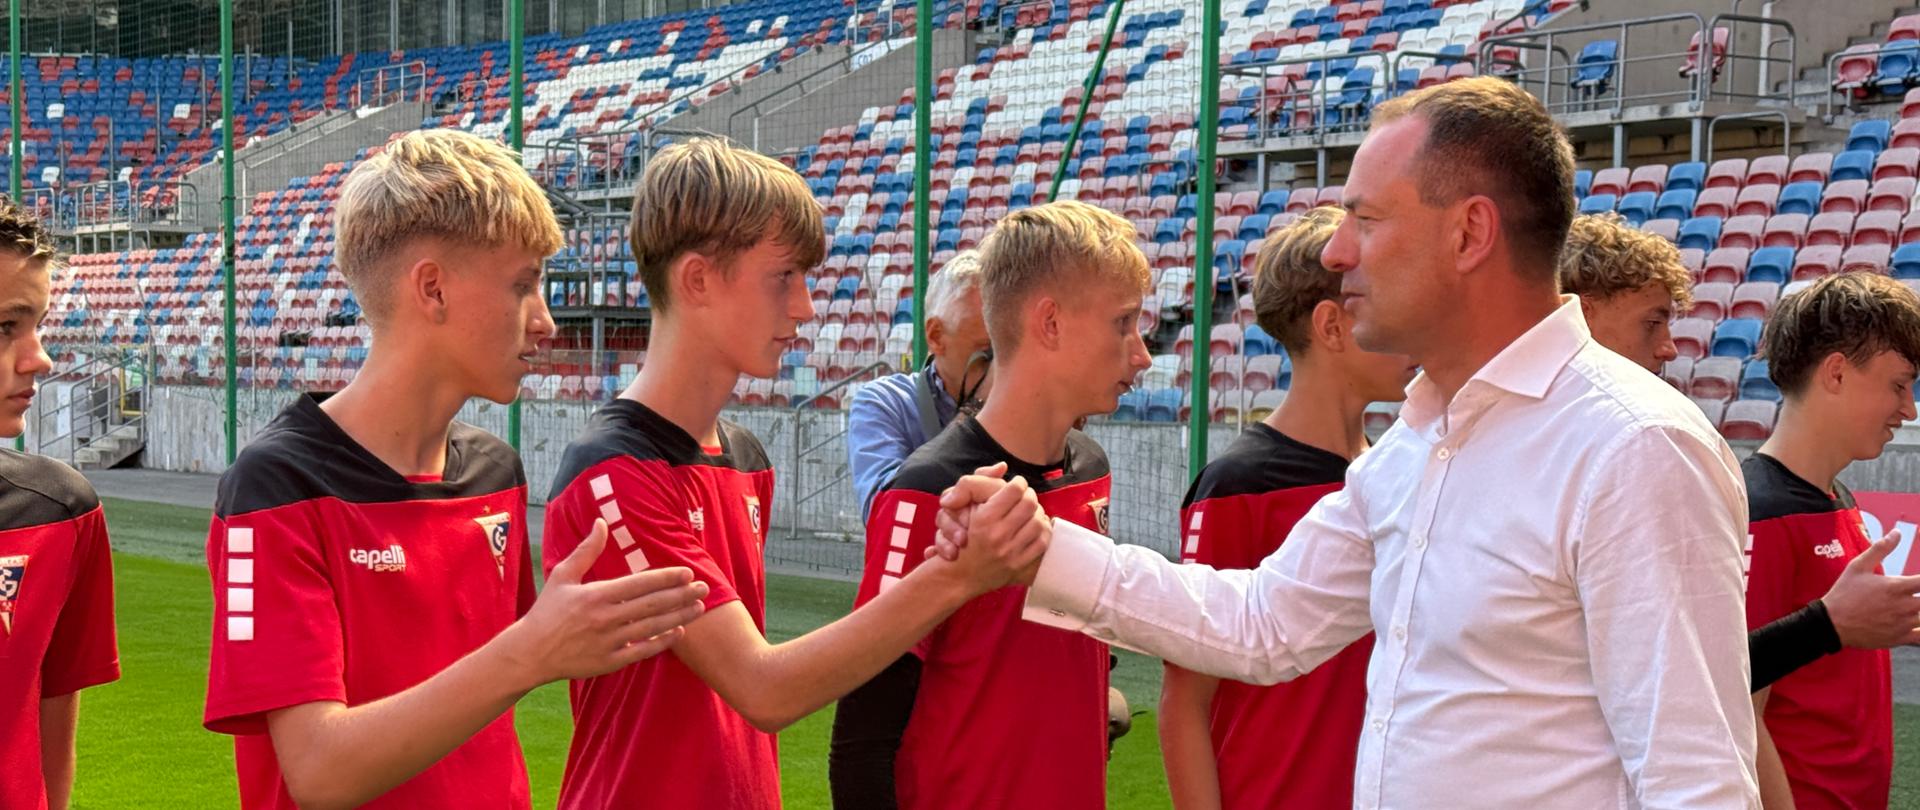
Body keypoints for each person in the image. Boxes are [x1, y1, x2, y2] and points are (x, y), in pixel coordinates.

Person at [937, 77, 1759, 807]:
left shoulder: (1635, 449)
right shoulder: (1418, 441)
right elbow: (1262, 624)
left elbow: (1696, 781)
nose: (1337, 250)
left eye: (1366, 219)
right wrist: (1040, 549)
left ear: (1470, 234)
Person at [200, 129, 709, 810]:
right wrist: (529, 652)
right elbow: (320, 773)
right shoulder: (274, 489)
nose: (546, 321)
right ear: (433, 290)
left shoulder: (494, 472)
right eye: (523, 286)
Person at [541, 137, 1046, 810]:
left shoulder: (743, 458)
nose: (806, 308)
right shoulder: (615, 475)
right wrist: (956, 575)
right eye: (784, 278)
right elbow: (763, 689)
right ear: (697, 279)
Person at [828, 200, 1151, 810]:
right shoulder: (930, 491)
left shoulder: (1089, 468)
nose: (1141, 354)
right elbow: (863, 743)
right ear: (1049, 323)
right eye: (1123, 323)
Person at [1561, 212, 1920, 691]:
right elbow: (1714, 683)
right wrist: (1826, 626)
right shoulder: (1758, 507)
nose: (1670, 348)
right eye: (1653, 322)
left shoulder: (1625, 450)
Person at [1159, 206, 1416, 810]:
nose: (1411, 325)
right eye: (1386, 299)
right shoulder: (1237, 488)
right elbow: (1185, 701)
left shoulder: (1396, 471)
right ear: (1331, 326)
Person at [1745, 273, 1920, 810]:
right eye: (1898, 384)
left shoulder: (1838, 497)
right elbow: (1738, 708)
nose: (1909, 409)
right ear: (1837, 373)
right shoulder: (1761, 513)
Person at [0, 196, 119, 810]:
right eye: (5, 328)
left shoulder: (62, 514)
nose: (40, 358)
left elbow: (51, 735)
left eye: (38, 324)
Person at [847, 250, 992, 521]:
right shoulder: (884, 402)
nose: (1001, 368)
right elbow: (887, 516)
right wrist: (977, 407)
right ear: (936, 336)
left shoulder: (1028, 406)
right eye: (986, 351)